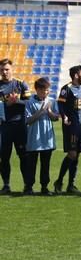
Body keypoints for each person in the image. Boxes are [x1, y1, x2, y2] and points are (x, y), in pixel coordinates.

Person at [23, 78, 59, 195]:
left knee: (45, 164)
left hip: (46, 138)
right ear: (37, 90)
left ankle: (44, 187)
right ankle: (29, 187)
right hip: (33, 138)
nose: (47, 92)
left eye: (48, 90)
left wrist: (48, 111)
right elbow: (27, 120)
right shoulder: (29, 102)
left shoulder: (51, 101)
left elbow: (56, 118)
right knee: (31, 164)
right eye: (44, 90)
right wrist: (41, 111)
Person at [0, 58, 31, 194]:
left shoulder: (21, 84)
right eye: (2, 70)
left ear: (12, 69)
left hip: (20, 126)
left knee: (23, 156)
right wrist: (7, 104)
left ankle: (27, 185)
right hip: (4, 127)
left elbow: (29, 104)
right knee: (4, 157)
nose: (4, 72)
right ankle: (6, 185)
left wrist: (16, 101)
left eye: (6, 69)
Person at [55, 65, 81, 194]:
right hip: (70, 126)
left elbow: (79, 106)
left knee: (77, 155)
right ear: (76, 76)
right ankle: (59, 181)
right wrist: (64, 116)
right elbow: (60, 104)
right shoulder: (66, 89)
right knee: (72, 154)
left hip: (79, 126)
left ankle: (71, 185)